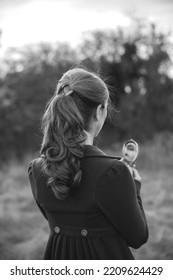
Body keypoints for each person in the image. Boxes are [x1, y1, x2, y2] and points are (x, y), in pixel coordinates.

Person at [28, 67, 148, 260]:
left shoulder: (35, 169)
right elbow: (138, 237)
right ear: (100, 111)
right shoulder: (114, 173)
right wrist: (134, 186)